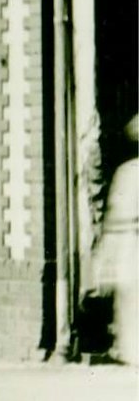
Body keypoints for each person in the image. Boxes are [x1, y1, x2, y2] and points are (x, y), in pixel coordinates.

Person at [91, 115, 139, 369]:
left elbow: (114, 216)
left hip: (128, 244)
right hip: (130, 244)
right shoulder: (128, 173)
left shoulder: (126, 173)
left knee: (130, 300)